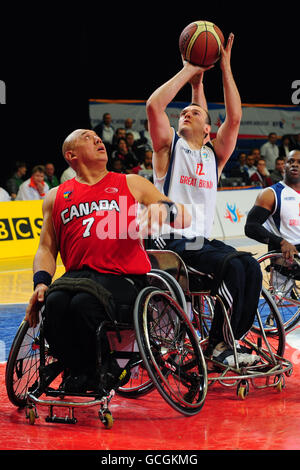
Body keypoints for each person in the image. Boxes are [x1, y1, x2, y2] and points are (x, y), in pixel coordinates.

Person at [24, 128, 190, 394]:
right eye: (88, 137)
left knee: (83, 306)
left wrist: (163, 208)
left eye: (98, 137)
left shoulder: (130, 183)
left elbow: (183, 216)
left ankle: (99, 370)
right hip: (78, 278)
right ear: (72, 154)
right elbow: (46, 247)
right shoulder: (56, 196)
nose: (98, 139)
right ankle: (78, 370)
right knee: (54, 304)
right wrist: (40, 283)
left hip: (123, 278)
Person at [146, 33, 262, 366]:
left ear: (208, 130)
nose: (185, 114)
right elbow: (155, 106)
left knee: (250, 266)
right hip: (169, 241)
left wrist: (224, 66)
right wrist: (190, 68)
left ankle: (224, 343)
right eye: (183, 113)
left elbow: (235, 117)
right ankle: (219, 345)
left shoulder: (214, 155)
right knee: (230, 267)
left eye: (194, 114)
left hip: (200, 242)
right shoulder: (168, 148)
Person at [245, 150, 300, 259]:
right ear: (284, 166)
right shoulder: (270, 194)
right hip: (286, 261)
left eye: (299, 162)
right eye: (291, 161)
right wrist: (281, 242)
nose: (295, 164)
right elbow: (251, 227)